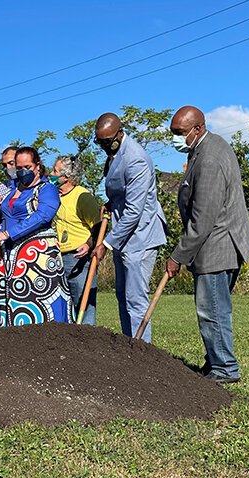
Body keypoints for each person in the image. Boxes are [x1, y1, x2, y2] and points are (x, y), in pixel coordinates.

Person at [166, 106, 249, 384]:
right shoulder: (203, 149)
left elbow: (203, 217)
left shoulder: (210, 158)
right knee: (214, 308)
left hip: (218, 245)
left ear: (198, 128)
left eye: (179, 133)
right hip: (217, 243)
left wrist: (178, 255)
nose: (175, 139)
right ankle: (215, 361)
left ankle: (225, 369)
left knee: (212, 310)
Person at [91, 113, 167, 343]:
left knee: (135, 299)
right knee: (122, 296)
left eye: (107, 141)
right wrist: (111, 203)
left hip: (140, 237)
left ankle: (141, 351)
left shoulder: (136, 159)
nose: (104, 146)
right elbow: (122, 194)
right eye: (100, 142)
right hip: (123, 234)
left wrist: (105, 243)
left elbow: (134, 211)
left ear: (119, 133)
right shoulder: (115, 154)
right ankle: (128, 346)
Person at [0, 146, 72, 326]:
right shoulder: (12, 190)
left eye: (27, 167)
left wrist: (8, 233)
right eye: (19, 168)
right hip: (10, 256)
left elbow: (42, 215)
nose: (22, 171)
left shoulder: (47, 189)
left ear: (37, 166)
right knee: (10, 303)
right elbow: (7, 214)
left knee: (37, 302)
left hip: (36, 258)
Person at [50, 155, 102, 325]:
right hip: (57, 257)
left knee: (83, 305)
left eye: (55, 171)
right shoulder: (53, 196)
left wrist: (89, 244)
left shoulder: (82, 196)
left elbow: (99, 225)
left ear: (66, 177)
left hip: (77, 258)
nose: (51, 174)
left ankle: (87, 343)